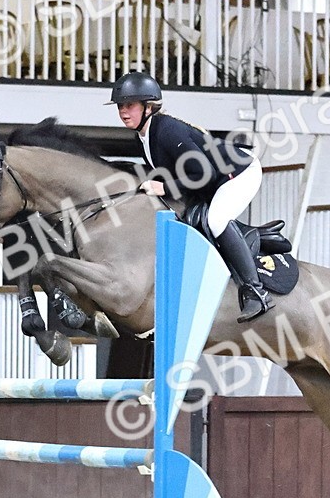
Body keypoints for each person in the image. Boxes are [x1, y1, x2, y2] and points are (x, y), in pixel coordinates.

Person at [108, 72, 273, 323]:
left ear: (149, 106)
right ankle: (252, 238)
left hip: (238, 173)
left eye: (129, 105)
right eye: (120, 106)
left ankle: (255, 292)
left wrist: (164, 188)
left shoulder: (166, 130)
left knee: (217, 220)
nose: (123, 111)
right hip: (212, 180)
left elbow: (204, 173)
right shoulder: (144, 137)